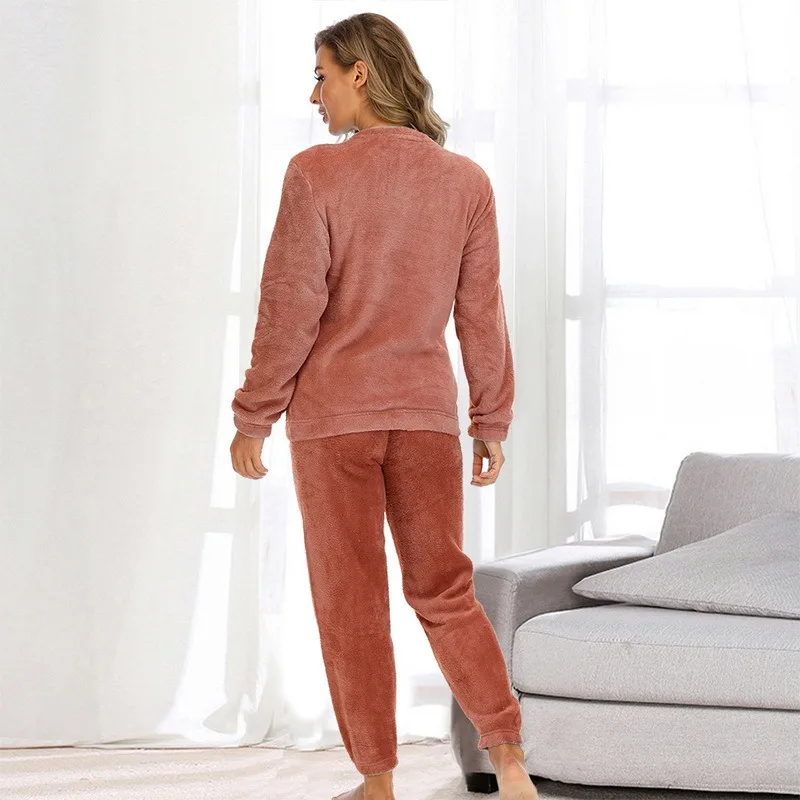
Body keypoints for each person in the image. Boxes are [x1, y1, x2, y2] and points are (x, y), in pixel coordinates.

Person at [230, 12, 538, 800]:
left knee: (352, 603)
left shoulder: (314, 175)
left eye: (322, 76)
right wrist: (490, 419)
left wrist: (254, 413)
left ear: (360, 73)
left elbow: (290, 307)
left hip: (333, 423)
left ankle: (377, 783)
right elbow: (481, 314)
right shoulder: (465, 181)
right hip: (426, 420)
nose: (314, 96)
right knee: (445, 590)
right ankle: (510, 761)